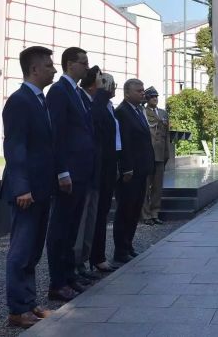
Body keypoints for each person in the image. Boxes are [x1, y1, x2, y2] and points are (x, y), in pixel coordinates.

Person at [1, 45, 57, 328]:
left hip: (41, 188)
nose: (54, 69)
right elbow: (15, 146)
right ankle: (16, 309)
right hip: (27, 190)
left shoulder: (39, 100)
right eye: (49, 66)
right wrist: (21, 187)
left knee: (33, 250)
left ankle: (28, 303)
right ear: (34, 69)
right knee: (21, 251)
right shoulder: (20, 101)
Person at [45, 47, 96, 302]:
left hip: (82, 171)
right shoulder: (59, 91)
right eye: (83, 62)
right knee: (61, 229)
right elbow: (58, 134)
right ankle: (57, 282)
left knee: (72, 227)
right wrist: (62, 170)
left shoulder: (76, 92)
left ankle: (68, 276)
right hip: (69, 173)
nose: (87, 67)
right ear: (69, 64)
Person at [113, 79, 155, 264]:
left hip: (142, 168)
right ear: (127, 93)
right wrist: (126, 167)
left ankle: (128, 245)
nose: (142, 93)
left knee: (135, 208)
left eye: (143, 90)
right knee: (125, 209)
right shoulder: (122, 112)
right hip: (130, 171)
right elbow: (124, 143)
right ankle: (120, 249)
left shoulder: (138, 111)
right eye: (138, 91)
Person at [86, 68, 121, 273]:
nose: (113, 87)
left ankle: (98, 254)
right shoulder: (99, 105)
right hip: (101, 165)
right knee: (97, 214)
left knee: (103, 211)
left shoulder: (109, 106)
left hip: (109, 165)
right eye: (111, 84)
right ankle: (95, 256)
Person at [141, 86, 170, 225]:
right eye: (152, 97)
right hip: (147, 154)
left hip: (160, 154)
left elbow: (166, 135)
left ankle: (155, 213)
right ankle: (146, 215)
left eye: (156, 96)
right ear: (147, 98)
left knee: (158, 187)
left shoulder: (164, 113)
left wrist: (167, 153)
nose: (155, 99)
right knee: (146, 186)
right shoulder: (143, 112)